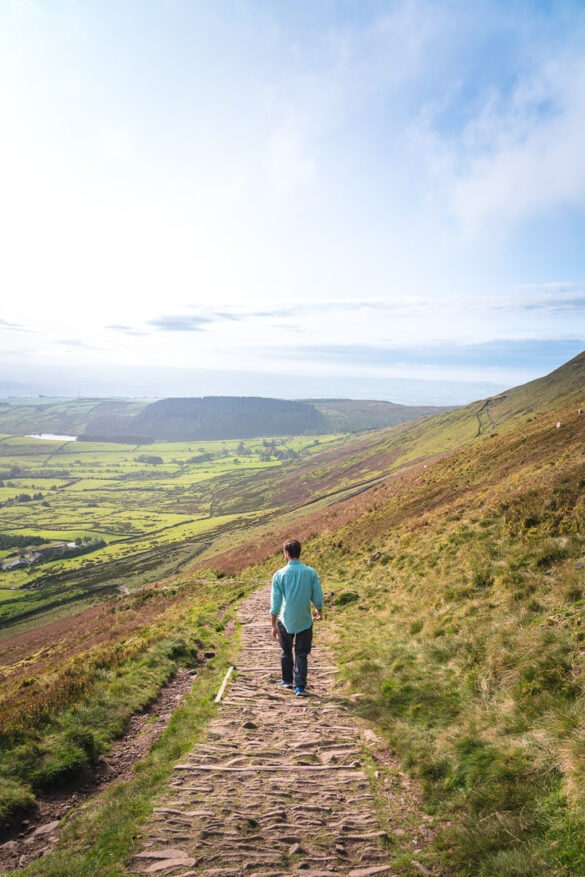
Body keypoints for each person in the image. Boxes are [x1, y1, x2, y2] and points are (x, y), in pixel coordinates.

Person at [270, 538, 324, 697]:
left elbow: (276, 602)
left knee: (286, 651)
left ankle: (287, 680)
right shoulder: (310, 572)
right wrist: (319, 610)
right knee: (301, 653)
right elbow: (317, 595)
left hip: (285, 619)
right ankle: (299, 686)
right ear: (299, 552)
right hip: (305, 619)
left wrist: (273, 624)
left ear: (286, 553)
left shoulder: (279, 574)